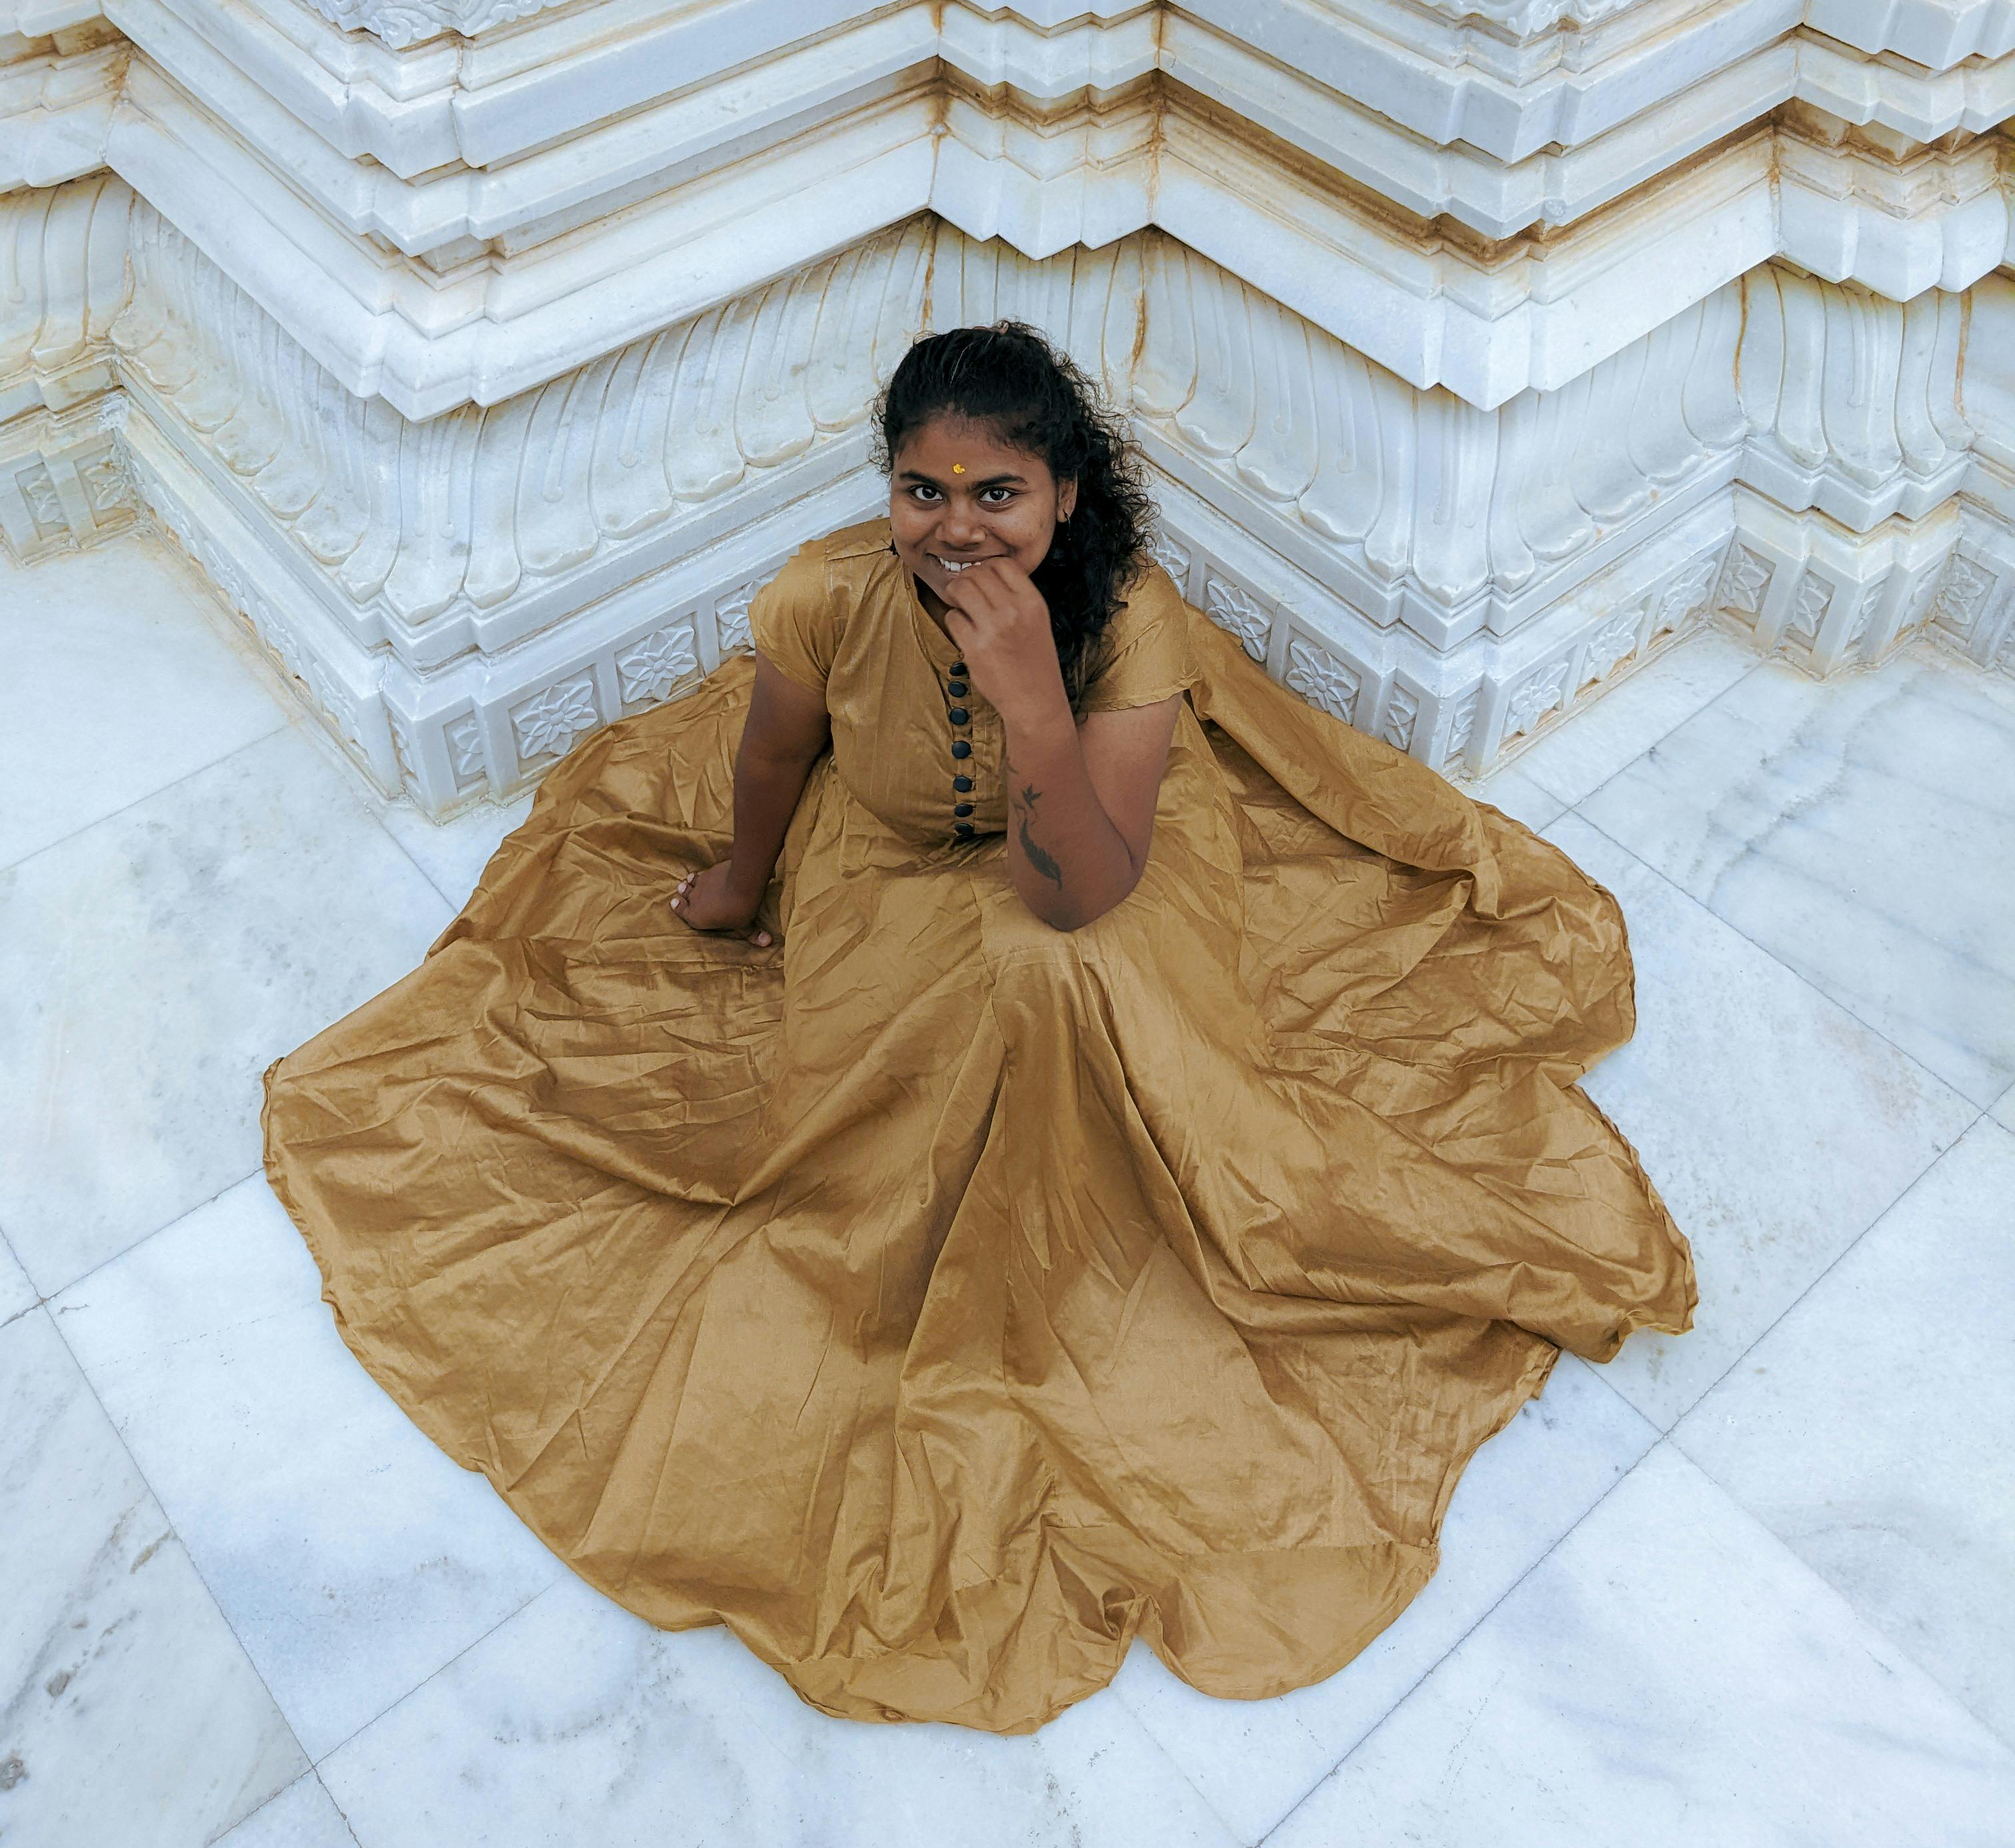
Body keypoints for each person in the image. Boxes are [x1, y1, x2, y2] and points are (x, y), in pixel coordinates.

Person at [265, 320, 1694, 1735]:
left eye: (996, 494)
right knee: (926, 1056)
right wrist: (740, 885)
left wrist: (1027, 697)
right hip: (877, 866)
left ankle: (1075, 1272)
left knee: (1052, 984)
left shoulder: (1126, 611)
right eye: (922, 492)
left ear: (1065, 495)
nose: (955, 529)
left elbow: (1074, 889)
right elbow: (772, 751)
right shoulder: (825, 598)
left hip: (1098, 850)